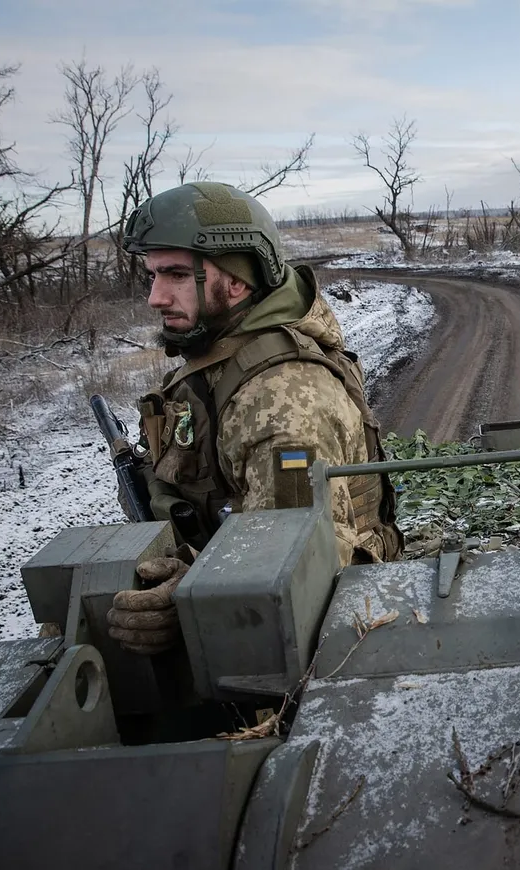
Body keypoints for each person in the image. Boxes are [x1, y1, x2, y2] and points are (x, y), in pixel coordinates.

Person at [106, 181, 403, 655]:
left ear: (237, 281)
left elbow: (298, 568)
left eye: (177, 275)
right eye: (153, 275)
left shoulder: (281, 402)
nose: (155, 297)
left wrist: (185, 594)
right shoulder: (222, 352)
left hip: (311, 639)